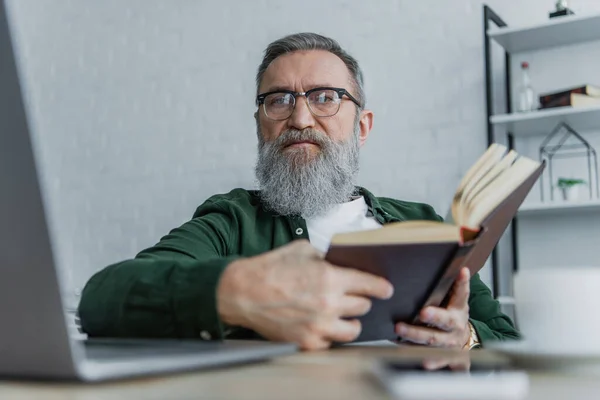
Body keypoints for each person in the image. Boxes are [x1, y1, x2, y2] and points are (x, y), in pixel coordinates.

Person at [78, 32, 520, 351]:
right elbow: (103, 298)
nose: (301, 119)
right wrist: (239, 293)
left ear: (361, 126)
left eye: (325, 97)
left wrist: (465, 337)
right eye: (279, 100)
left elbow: (509, 339)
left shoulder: (422, 222)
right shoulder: (232, 221)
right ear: (260, 126)